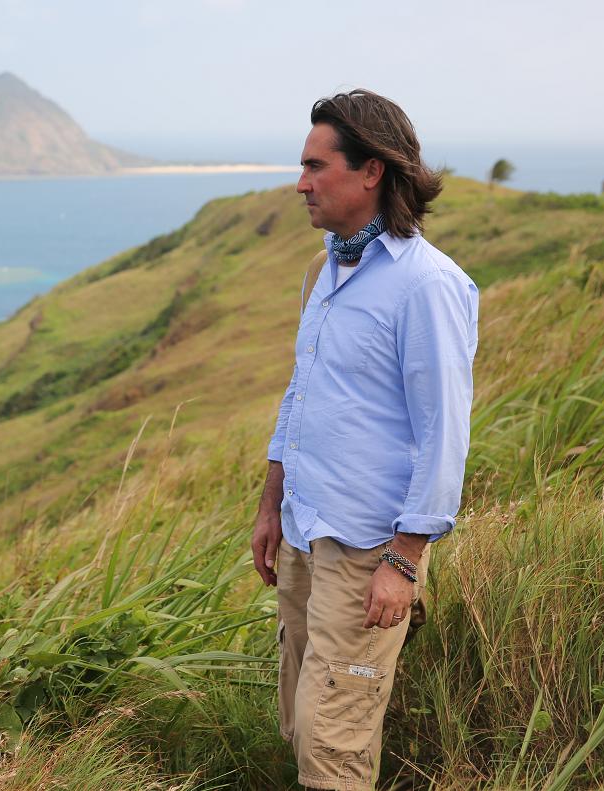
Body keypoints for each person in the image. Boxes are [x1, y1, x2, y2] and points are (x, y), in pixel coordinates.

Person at [249, 89, 479, 791]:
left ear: (372, 170)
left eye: (317, 166)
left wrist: (405, 560)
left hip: (369, 550)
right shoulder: (327, 270)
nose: (301, 183)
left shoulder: (427, 285)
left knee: (334, 747)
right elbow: (302, 394)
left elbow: (446, 433)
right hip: (306, 533)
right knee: (302, 720)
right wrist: (270, 507)